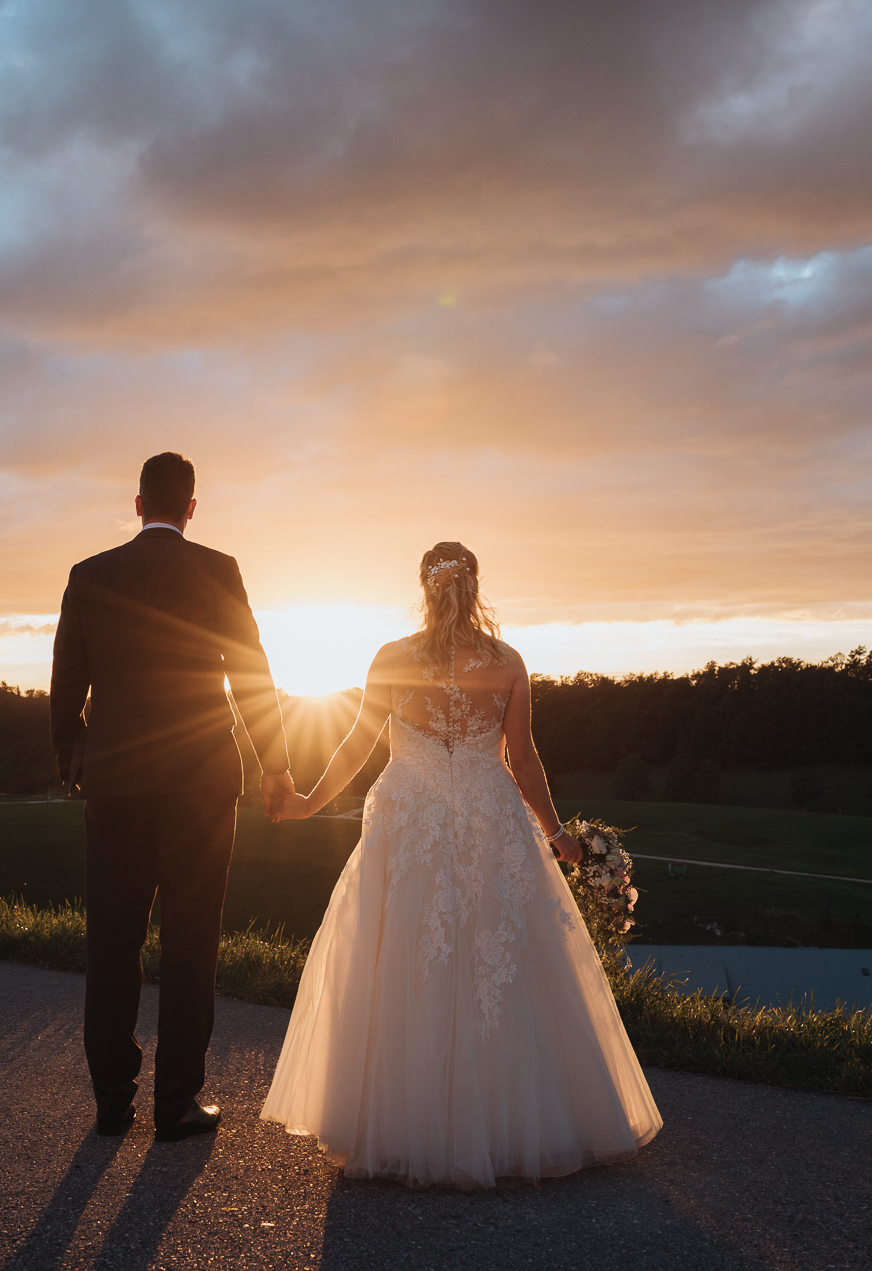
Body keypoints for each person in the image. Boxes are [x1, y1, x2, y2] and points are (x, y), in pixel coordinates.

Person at [261, 542, 661, 1188]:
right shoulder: (506, 661)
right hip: (486, 811)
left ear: (424, 587)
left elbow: (357, 743)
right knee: (497, 953)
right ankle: (515, 1120)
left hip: (407, 814)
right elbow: (523, 760)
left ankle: (395, 1119)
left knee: (399, 952)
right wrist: (556, 833)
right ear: (476, 587)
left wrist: (309, 803)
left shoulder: (392, 656)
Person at [50, 451, 292, 1141]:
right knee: (191, 943)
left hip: (116, 781)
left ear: (137, 504)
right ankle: (176, 1104)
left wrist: (73, 757)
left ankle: (110, 1103)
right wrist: (276, 764)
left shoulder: (89, 575)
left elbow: (66, 681)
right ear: (191, 507)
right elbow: (250, 674)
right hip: (201, 783)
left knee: (112, 941)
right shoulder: (217, 570)